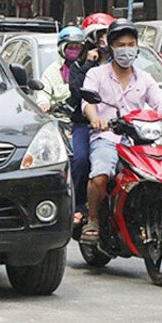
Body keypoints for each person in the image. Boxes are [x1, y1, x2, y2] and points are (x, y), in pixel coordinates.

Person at [79, 19, 162, 244]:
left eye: (131, 44)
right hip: (107, 137)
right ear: (111, 47)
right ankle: (92, 220)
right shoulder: (97, 75)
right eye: (121, 44)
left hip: (139, 142)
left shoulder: (145, 78)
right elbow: (87, 103)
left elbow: (161, 104)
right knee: (101, 176)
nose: (127, 49)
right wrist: (96, 119)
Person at [67, 29, 104, 224]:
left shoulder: (122, 69)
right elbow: (79, 92)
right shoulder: (79, 67)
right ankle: (78, 204)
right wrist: (89, 64)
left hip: (116, 127)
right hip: (85, 125)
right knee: (81, 160)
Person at [37, 26, 85, 117]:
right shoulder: (52, 71)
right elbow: (43, 92)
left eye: (77, 47)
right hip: (60, 120)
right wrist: (44, 102)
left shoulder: (88, 68)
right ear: (61, 48)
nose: (74, 50)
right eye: (70, 47)